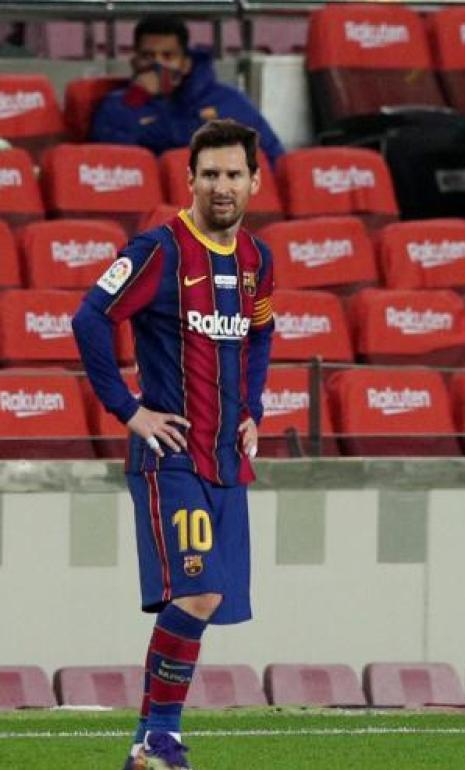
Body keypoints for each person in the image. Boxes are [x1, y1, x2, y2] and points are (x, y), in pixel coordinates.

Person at [73, 119, 275, 770]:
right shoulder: (158, 252)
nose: (222, 185)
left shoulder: (257, 261)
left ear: (255, 180)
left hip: (226, 461)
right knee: (199, 595)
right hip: (173, 458)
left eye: (233, 174)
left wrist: (254, 410)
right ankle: (162, 736)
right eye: (210, 174)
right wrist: (129, 411)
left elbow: (261, 334)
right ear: (189, 180)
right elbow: (89, 319)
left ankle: (143, 746)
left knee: (208, 602)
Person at [90, 16, 285, 162]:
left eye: (168, 56)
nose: (158, 64)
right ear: (134, 61)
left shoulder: (228, 101)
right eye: (148, 56)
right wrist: (136, 102)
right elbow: (111, 164)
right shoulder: (117, 105)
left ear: (185, 63)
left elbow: (272, 159)